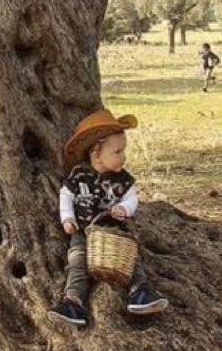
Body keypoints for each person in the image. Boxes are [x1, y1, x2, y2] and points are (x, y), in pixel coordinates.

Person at [48, 109, 168, 328]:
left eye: (124, 151)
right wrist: (67, 218)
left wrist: (124, 207)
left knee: (130, 260)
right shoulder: (78, 176)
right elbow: (66, 195)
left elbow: (132, 198)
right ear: (96, 153)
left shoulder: (123, 180)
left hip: (115, 233)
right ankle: (73, 302)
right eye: (117, 151)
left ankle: (140, 292)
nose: (123, 157)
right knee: (77, 263)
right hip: (84, 232)